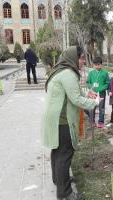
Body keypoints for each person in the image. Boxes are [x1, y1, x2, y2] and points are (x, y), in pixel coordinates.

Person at [42, 46, 100, 200]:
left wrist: (87, 93)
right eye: (81, 58)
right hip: (62, 122)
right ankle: (64, 192)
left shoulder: (62, 70)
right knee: (64, 154)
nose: (83, 62)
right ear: (73, 58)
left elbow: (74, 92)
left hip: (55, 119)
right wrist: (94, 102)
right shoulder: (68, 74)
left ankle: (59, 180)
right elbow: (76, 99)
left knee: (57, 151)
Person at [86, 56, 110, 128]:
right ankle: (92, 121)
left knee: (101, 108)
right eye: (95, 65)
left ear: (101, 64)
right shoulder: (91, 73)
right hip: (93, 93)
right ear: (93, 65)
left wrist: (102, 88)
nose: (97, 66)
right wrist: (91, 88)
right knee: (92, 107)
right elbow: (88, 82)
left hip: (102, 93)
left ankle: (101, 122)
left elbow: (108, 83)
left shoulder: (105, 73)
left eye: (99, 65)